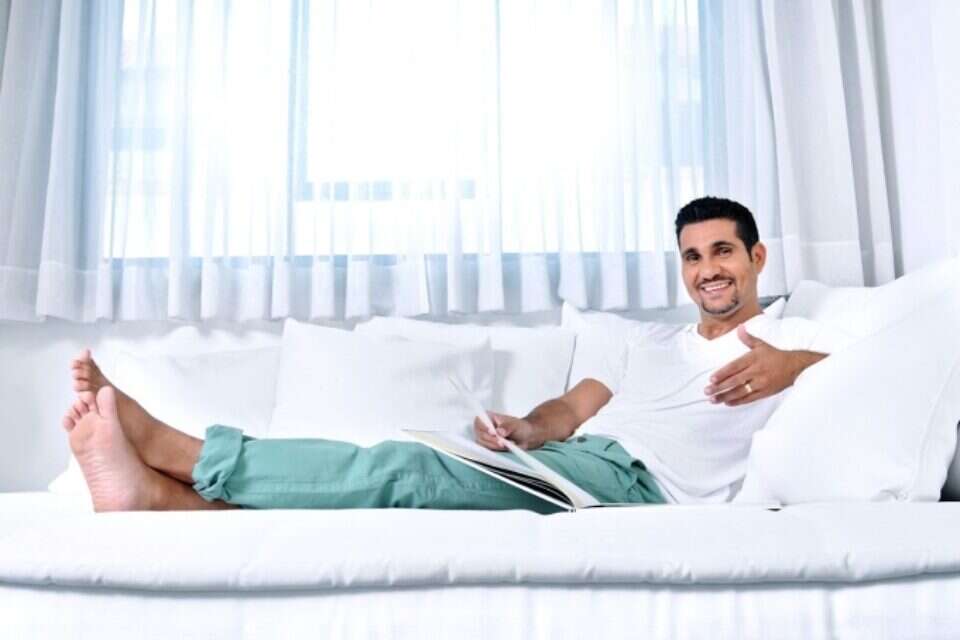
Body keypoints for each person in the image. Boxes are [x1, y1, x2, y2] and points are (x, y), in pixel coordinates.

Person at [63, 197, 845, 513]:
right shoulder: (649, 342)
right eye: (693, 256)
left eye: (722, 252)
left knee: (403, 472)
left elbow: (872, 369)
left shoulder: (800, 336)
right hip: (577, 461)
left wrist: (795, 366)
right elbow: (571, 409)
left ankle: (178, 451)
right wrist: (526, 430)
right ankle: (163, 499)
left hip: (638, 490)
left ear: (756, 257)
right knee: (404, 462)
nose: (708, 270)